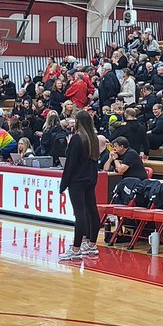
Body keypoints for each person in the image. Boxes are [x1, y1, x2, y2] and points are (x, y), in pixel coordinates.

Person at [59, 110, 101, 262]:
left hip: (77, 181)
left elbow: (70, 164)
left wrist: (63, 184)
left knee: (80, 214)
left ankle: (76, 249)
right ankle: (92, 245)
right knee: (92, 211)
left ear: (78, 122)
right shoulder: (94, 138)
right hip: (90, 179)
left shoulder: (77, 138)